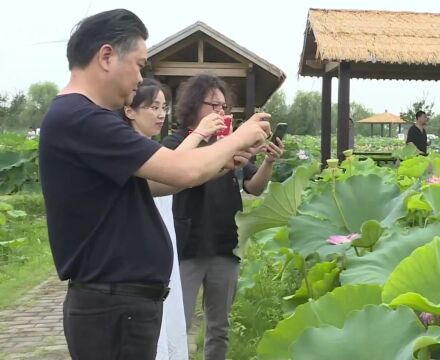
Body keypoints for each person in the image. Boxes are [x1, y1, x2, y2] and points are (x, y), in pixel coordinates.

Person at [38, 9, 270, 360]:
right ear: (106, 56)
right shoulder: (83, 118)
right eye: (139, 64)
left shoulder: (85, 119)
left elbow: (155, 184)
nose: (140, 78)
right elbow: (180, 171)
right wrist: (238, 138)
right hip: (112, 306)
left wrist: (223, 162)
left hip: (118, 304)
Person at [161, 74, 284, 360]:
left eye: (224, 107)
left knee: (219, 327)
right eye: (213, 105)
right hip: (187, 246)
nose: (220, 112)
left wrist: (268, 161)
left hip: (225, 245)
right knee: (177, 324)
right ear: (193, 106)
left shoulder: (229, 144)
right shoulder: (177, 143)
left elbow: (254, 187)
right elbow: (183, 175)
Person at [121, 78, 227, 360]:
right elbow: (174, 169)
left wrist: (226, 161)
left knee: (171, 329)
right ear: (129, 111)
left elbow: (186, 176)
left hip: (163, 251)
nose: (160, 114)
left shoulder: (150, 147)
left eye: (163, 107)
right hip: (142, 259)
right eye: (152, 106)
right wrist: (202, 134)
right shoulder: (130, 149)